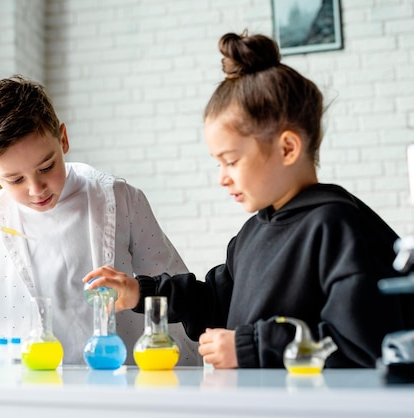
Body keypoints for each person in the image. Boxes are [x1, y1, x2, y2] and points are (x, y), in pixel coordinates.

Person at [83, 31, 414, 369]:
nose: (222, 177)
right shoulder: (252, 234)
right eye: (218, 163)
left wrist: (251, 347)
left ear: (287, 148)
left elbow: (362, 344)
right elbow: (214, 302)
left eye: (231, 160)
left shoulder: (338, 227)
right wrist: (142, 292)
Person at [0, 75, 200, 366]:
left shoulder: (120, 198)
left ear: (63, 139)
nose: (36, 189)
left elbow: (172, 296)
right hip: (26, 386)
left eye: (46, 167)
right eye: (15, 179)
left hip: (116, 382)